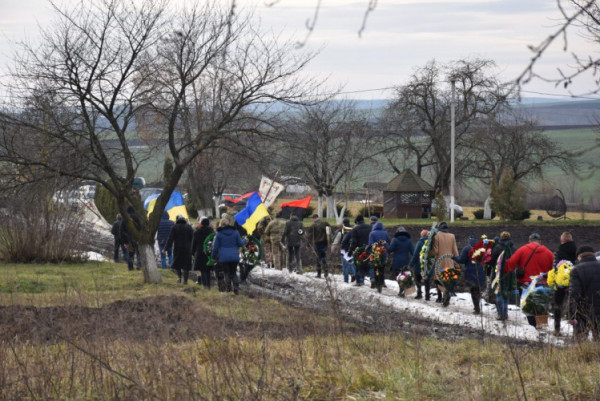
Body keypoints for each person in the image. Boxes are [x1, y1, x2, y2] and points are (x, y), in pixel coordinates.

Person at [505, 233, 554, 327]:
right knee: (541, 305)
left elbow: (510, 263)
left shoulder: (522, 250)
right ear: (540, 242)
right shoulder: (549, 253)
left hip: (526, 285)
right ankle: (541, 326)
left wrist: (502, 269)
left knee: (528, 307)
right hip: (542, 284)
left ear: (529, 240)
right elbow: (554, 269)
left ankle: (533, 327)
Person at [568, 245, 600, 342]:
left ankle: (583, 356)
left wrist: (571, 315)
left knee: (580, 341)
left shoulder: (576, 270)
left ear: (580, 256)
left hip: (583, 312)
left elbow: (574, 294)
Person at [550, 231, 577, 335]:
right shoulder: (576, 250)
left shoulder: (559, 251)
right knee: (574, 304)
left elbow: (555, 267)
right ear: (571, 239)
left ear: (562, 240)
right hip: (573, 281)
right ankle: (576, 330)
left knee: (558, 304)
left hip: (560, 282)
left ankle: (557, 329)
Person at [211, 215, 246, 294]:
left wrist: (213, 257)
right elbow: (240, 243)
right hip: (234, 256)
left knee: (226, 272)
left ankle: (228, 288)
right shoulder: (235, 232)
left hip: (223, 257)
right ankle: (236, 286)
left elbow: (215, 247)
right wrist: (245, 240)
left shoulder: (219, 234)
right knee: (233, 272)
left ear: (221, 224)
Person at [455, 236, 486, 314]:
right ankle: (478, 306)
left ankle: (477, 308)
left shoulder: (467, 249)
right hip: (481, 272)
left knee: (473, 290)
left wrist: (454, 257)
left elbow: (461, 260)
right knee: (478, 290)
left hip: (471, 273)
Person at [431, 221, 459, 306]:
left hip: (440, 261)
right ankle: (446, 296)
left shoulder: (437, 236)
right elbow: (455, 250)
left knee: (438, 280)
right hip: (449, 261)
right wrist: (457, 261)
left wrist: (429, 253)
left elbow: (435, 251)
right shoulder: (452, 236)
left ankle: (441, 297)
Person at [164, 214, 194, 284]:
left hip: (177, 248)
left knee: (178, 264)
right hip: (187, 248)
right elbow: (192, 238)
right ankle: (185, 280)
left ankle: (179, 277)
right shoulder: (189, 227)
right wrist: (193, 249)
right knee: (186, 265)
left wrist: (165, 248)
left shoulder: (174, 227)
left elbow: (170, 239)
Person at [387, 226, 414, 296]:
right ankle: (403, 290)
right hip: (406, 261)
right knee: (405, 276)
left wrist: (386, 244)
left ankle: (401, 290)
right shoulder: (409, 240)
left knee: (398, 276)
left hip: (397, 262)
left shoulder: (395, 240)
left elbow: (390, 250)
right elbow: (413, 252)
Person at [349, 215, 372, 286]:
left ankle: (359, 281)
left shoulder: (355, 229)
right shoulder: (370, 227)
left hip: (358, 249)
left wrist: (350, 251)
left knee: (357, 265)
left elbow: (354, 242)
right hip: (368, 248)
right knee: (364, 264)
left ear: (357, 222)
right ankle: (362, 279)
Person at [191, 218, 214, 289]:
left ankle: (205, 286)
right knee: (208, 269)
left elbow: (194, 244)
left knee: (202, 269)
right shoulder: (211, 232)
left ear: (201, 223)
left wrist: (193, 252)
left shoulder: (197, 232)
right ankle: (209, 286)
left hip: (200, 252)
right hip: (209, 252)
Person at [368, 221, 389, 290]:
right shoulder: (385, 233)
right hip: (383, 253)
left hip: (375, 253)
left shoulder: (372, 233)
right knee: (382, 268)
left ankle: (377, 284)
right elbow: (388, 242)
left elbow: (371, 244)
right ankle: (382, 282)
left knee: (375, 268)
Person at [119, 206, 142, 271]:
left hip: (129, 239)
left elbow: (121, 231)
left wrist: (124, 242)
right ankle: (139, 265)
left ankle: (130, 267)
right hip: (137, 238)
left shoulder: (125, 219)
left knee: (130, 254)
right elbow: (140, 228)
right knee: (138, 253)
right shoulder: (137, 217)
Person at [333, 218, 355, 283]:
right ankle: (353, 274)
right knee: (351, 263)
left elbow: (337, 240)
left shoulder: (341, 230)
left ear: (343, 223)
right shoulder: (353, 229)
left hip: (344, 249)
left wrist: (333, 247)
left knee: (345, 265)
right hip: (352, 249)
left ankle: (346, 280)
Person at [409, 229, 429, 299]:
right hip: (429, 265)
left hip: (419, 264)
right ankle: (427, 295)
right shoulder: (432, 243)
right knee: (427, 280)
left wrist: (411, 264)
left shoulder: (420, 243)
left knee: (417, 279)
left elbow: (415, 255)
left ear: (422, 235)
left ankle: (419, 293)